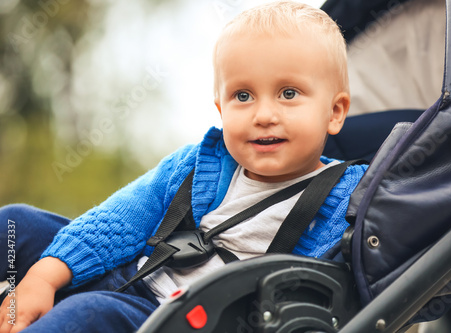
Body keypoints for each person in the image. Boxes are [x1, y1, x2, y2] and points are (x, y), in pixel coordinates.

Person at [0, 1, 367, 332]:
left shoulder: (351, 199)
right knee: (13, 224)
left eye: (288, 93)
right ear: (222, 110)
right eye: (243, 96)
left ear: (334, 112)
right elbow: (119, 220)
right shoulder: (198, 162)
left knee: (86, 313)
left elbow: (388, 280)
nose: (264, 115)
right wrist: (43, 278)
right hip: (135, 269)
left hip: (167, 318)